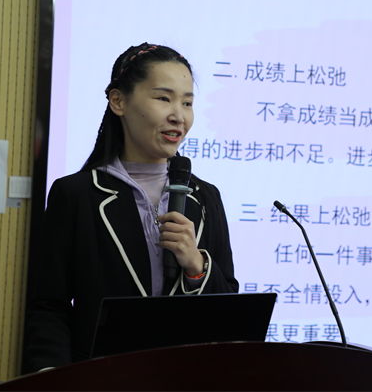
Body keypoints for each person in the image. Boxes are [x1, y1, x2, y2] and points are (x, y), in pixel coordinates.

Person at [24, 43, 239, 373]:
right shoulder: (77, 195)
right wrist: (52, 378)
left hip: (186, 378)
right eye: (163, 98)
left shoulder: (205, 197)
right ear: (118, 101)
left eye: (187, 102)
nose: (178, 116)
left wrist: (197, 266)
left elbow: (231, 311)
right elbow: (49, 306)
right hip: (101, 380)